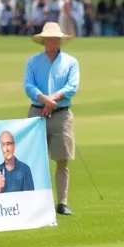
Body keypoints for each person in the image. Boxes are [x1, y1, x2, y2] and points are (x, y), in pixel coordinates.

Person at [24, 22, 80, 216]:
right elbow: (29, 86)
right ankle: (36, 201)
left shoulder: (70, 62)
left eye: (55, 39)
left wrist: (52, 100)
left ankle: (62, 202)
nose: (52, 42)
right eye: (49, 39)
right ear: (43, 41)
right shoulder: (33, 62)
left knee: (62, 159)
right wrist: (44, 99)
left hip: (61, 114)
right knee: (35, 159)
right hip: (37, 112)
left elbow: (71, 87)